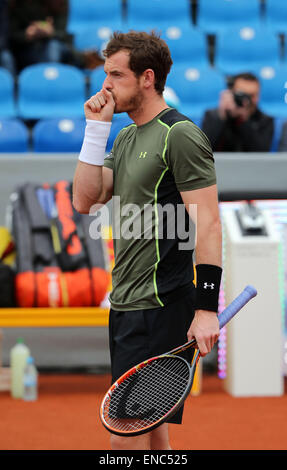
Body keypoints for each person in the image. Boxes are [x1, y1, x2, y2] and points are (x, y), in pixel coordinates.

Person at [73, 31, 222, 451]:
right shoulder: (122, 138)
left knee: (125, 440)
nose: (105, 86)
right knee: (153, 436)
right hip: (126, 306)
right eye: (105, 75)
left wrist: (206, 310)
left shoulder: (180, 134)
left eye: (116, 75)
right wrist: (93, 131)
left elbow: (208, 224)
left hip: (159, 308)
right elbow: (85, 199)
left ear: (147, 78)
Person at [8, 0, 103, 72]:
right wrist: (28, 34)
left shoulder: (59, 2)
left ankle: (53, 78)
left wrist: (50, 32)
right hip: (25, 49)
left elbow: (62, 33)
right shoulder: (17, 4)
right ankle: (83, 59)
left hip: (55, 46)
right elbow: (9, 36)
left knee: (53, 46)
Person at [201, 72, 274, 152]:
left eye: (252, 95)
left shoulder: (265, 121)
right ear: (231, 93)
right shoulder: (212, 116)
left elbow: (261, 154)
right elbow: (204, 151)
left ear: (258, 96)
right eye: (242, 95)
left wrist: (244, 119)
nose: (247, 101)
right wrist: (222, 117)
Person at [0, 0, 16, 76]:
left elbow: (5, 32)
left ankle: (13, 86)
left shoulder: (2, 4)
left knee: (6, 58)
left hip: (1, 47)